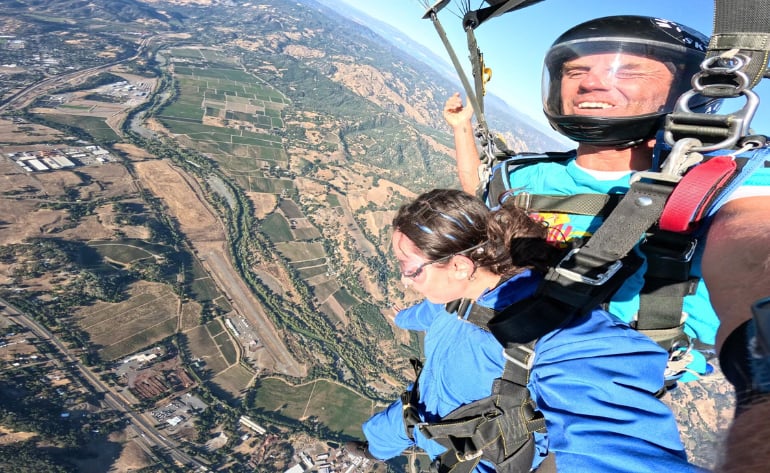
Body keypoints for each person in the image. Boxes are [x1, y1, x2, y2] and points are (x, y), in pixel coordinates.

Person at [444, 15, 770, 466]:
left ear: (687, 93)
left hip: (590, 392)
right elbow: (479, 194)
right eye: (576, 72)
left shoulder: (717, 186)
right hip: (480, 359)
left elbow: (755, 254)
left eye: (629, 71)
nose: (592, 83)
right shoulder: (522, 173)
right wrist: (463, 131)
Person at [352, 188, 698, 472]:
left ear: (458, 266)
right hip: (421, 413)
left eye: (411, 270)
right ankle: (372, 451)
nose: (405, 281)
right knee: (397, 426)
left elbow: (619, 450)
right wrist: (402, 318)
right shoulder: (457, 295)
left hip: (472, 454)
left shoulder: (555, 334)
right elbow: (430, 313)